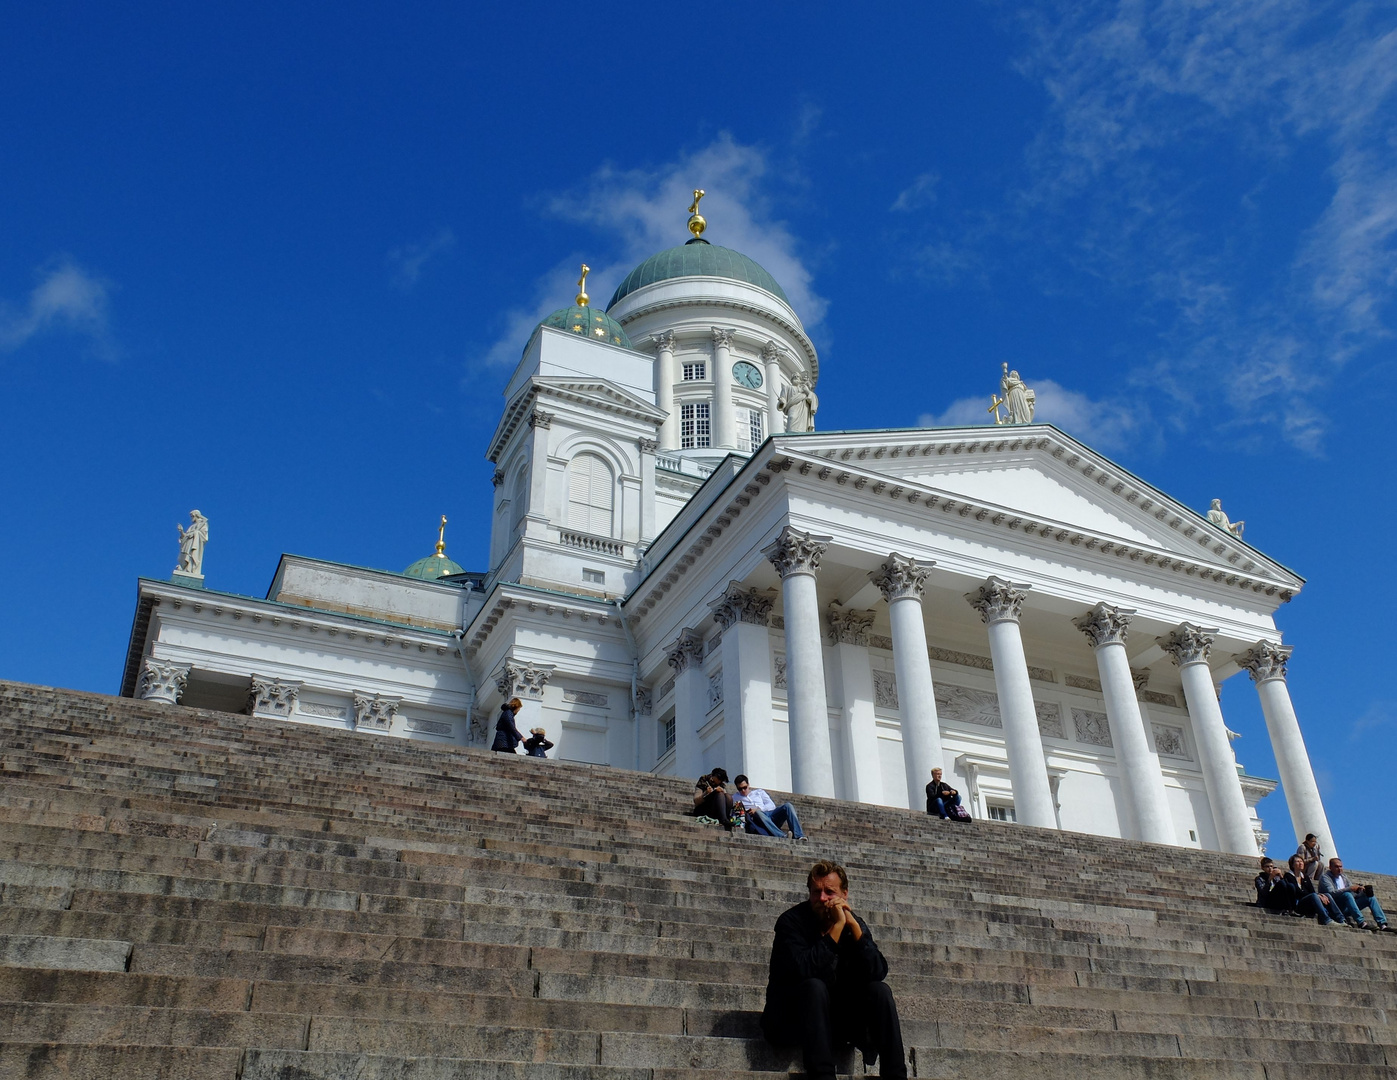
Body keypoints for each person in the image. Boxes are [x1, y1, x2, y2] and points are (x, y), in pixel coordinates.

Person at [761, 860, 907, 1080]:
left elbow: (878, 970)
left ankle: (896, 1076)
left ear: (844, 894)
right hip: (791, 1019)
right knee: (814, 986)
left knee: (880, 991)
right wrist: (836, 929)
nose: (822, 899)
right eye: (816, 892)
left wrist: (855, 929)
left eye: (829, 892)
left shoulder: (852, 923)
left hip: (836, 1023)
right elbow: (805, 968)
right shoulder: (790, 923)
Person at [1319, 858, 1392, 932]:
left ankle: (1382, 924)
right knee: (1347, 894)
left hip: (1347, 906)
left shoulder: (1344, 877)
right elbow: (1331, 893)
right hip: (1334, 907)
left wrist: (1360, 891)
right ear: (1330, 867)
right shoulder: (1325, 878)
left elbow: (1352, 893)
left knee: (1370, 897)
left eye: (1341, 866)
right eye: (1337, 867)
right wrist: (1350, 888)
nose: (1339, 869)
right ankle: (1361, 922)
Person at [734, 775, 807, 840]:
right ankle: (782, 836)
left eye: (744, 787)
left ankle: (798, 835)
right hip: (758, 819)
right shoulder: (735, 797)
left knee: (788, 806)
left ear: (748, 785)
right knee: (758, 813)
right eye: (740, 789)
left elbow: (771, 805)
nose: (743, 791)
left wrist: (758, 808)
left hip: (770, 815)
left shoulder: (759, 792)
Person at [1284, 854, 1340, 925]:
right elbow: (1297, 892)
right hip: (1297, 905)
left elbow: (1312, 890)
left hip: (1308, 902)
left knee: (1326, 895)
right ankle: (1326, 919)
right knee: (1314, 895)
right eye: (1297, 861)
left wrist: (1320, 895)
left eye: (1301, 861)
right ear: (1292, 865)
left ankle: (1340, 918)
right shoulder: (1288, 876)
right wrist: (1315, 895)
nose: (1300, 863)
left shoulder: (1305, 877)